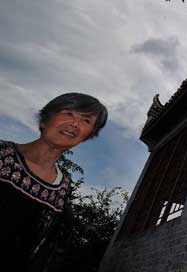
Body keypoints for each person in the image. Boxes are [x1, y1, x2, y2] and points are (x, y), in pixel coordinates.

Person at [0, 93, 108, 271]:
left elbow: (45, 249)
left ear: (87, 137)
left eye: (86, 121)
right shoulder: (3, 153)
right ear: (44, 119)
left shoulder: (62, 186)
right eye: (68, 114)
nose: (74, 124)